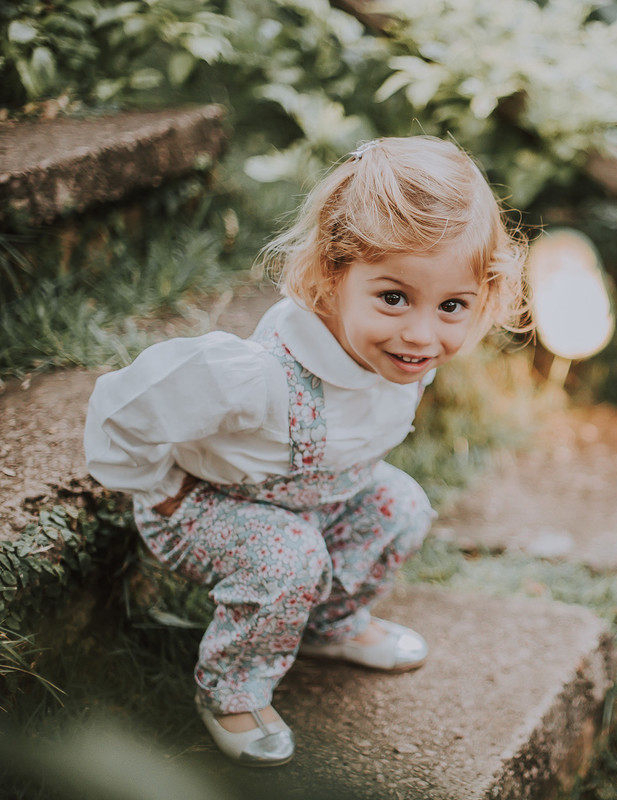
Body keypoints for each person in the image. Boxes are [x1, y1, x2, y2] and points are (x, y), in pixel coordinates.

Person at [84, 136, 526, 766]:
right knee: (290, 555)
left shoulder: (402, 356)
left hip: (320, 502)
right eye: (394, 297)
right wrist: (157, 485)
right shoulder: (255, 376)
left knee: (402, 504)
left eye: (452, 305)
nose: (422, 333)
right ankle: (232, 688)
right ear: (330, 276)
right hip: (205, 506)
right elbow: (126, 406)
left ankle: (329, 625)